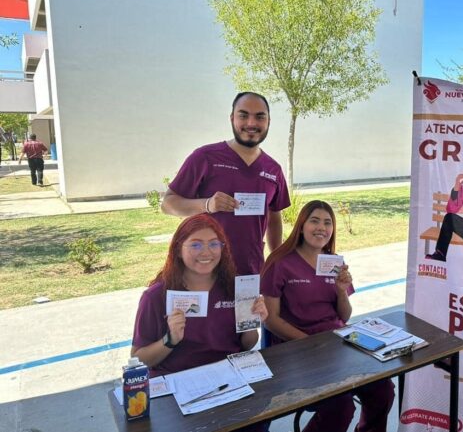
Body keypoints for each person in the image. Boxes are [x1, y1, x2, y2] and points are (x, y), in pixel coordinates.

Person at [261, 200, 395, 432]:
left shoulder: (334, 262)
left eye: (327, 222)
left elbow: (344, 315)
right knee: (340, 406)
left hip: (337, 342)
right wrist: (311, 344)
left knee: (383, 389)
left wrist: (341, 291)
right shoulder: (280, 263)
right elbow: (270, 319)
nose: (321, 227)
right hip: (298, 349)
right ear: (301, 225)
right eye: (314, 221)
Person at [162, 92, 290, 275]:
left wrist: (276, 259)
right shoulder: (205, 157)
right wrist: (207, 204)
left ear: (268, 121)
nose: (251, 123)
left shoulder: (273, 169)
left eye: (260, 116)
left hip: (250, 272)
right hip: (205, 270)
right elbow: (167, 204)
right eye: (243, 115)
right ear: (232, 118)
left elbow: (274, 217)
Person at [131, 213, 268, 376]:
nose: (206, 252)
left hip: (228, 375)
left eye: (214, 244)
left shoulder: (235, 288)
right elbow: (139, 359)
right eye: (195, 245)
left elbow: (247, 345)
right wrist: (170, 339)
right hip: (178, 379)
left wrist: (252, 323)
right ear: (178, 250)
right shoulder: (155, 296)